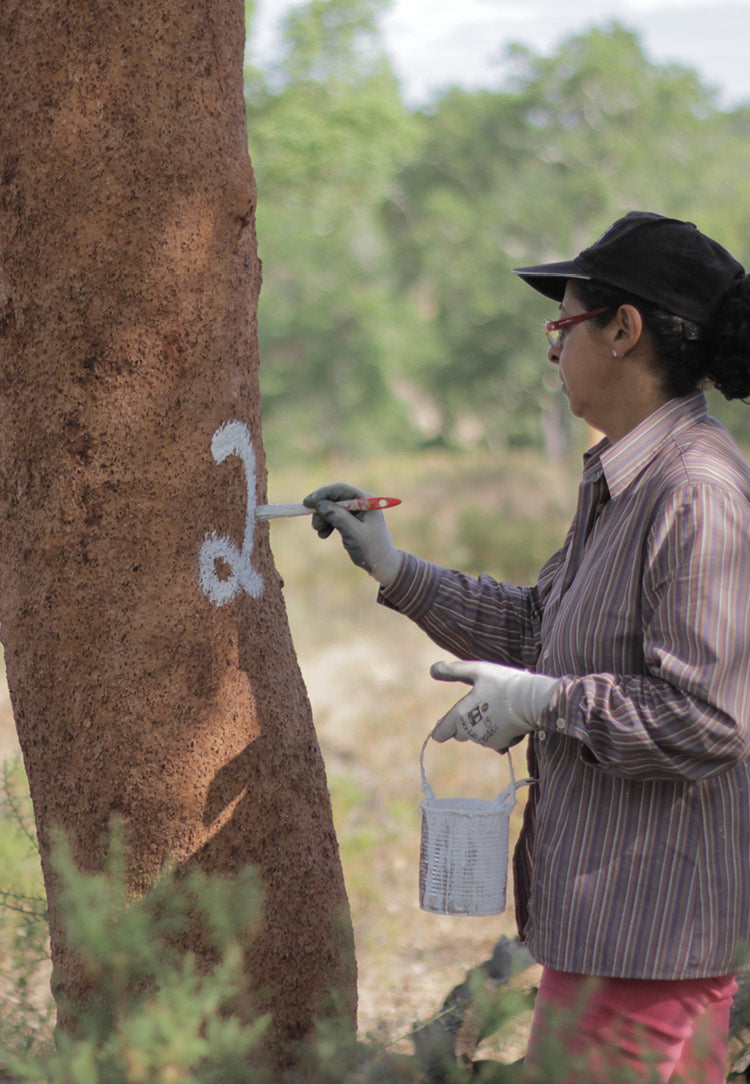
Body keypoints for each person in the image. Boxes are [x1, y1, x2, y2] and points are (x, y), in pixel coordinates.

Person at [303, 211, 750, 1083]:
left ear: (623, 331)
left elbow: (708, 719)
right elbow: (539, 631)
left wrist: (543, 702)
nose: (554, 353)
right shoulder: (625, 476)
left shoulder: (693, 492)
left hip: (653, 945)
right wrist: (394, 568)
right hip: (595, 930)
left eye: (565, 326)